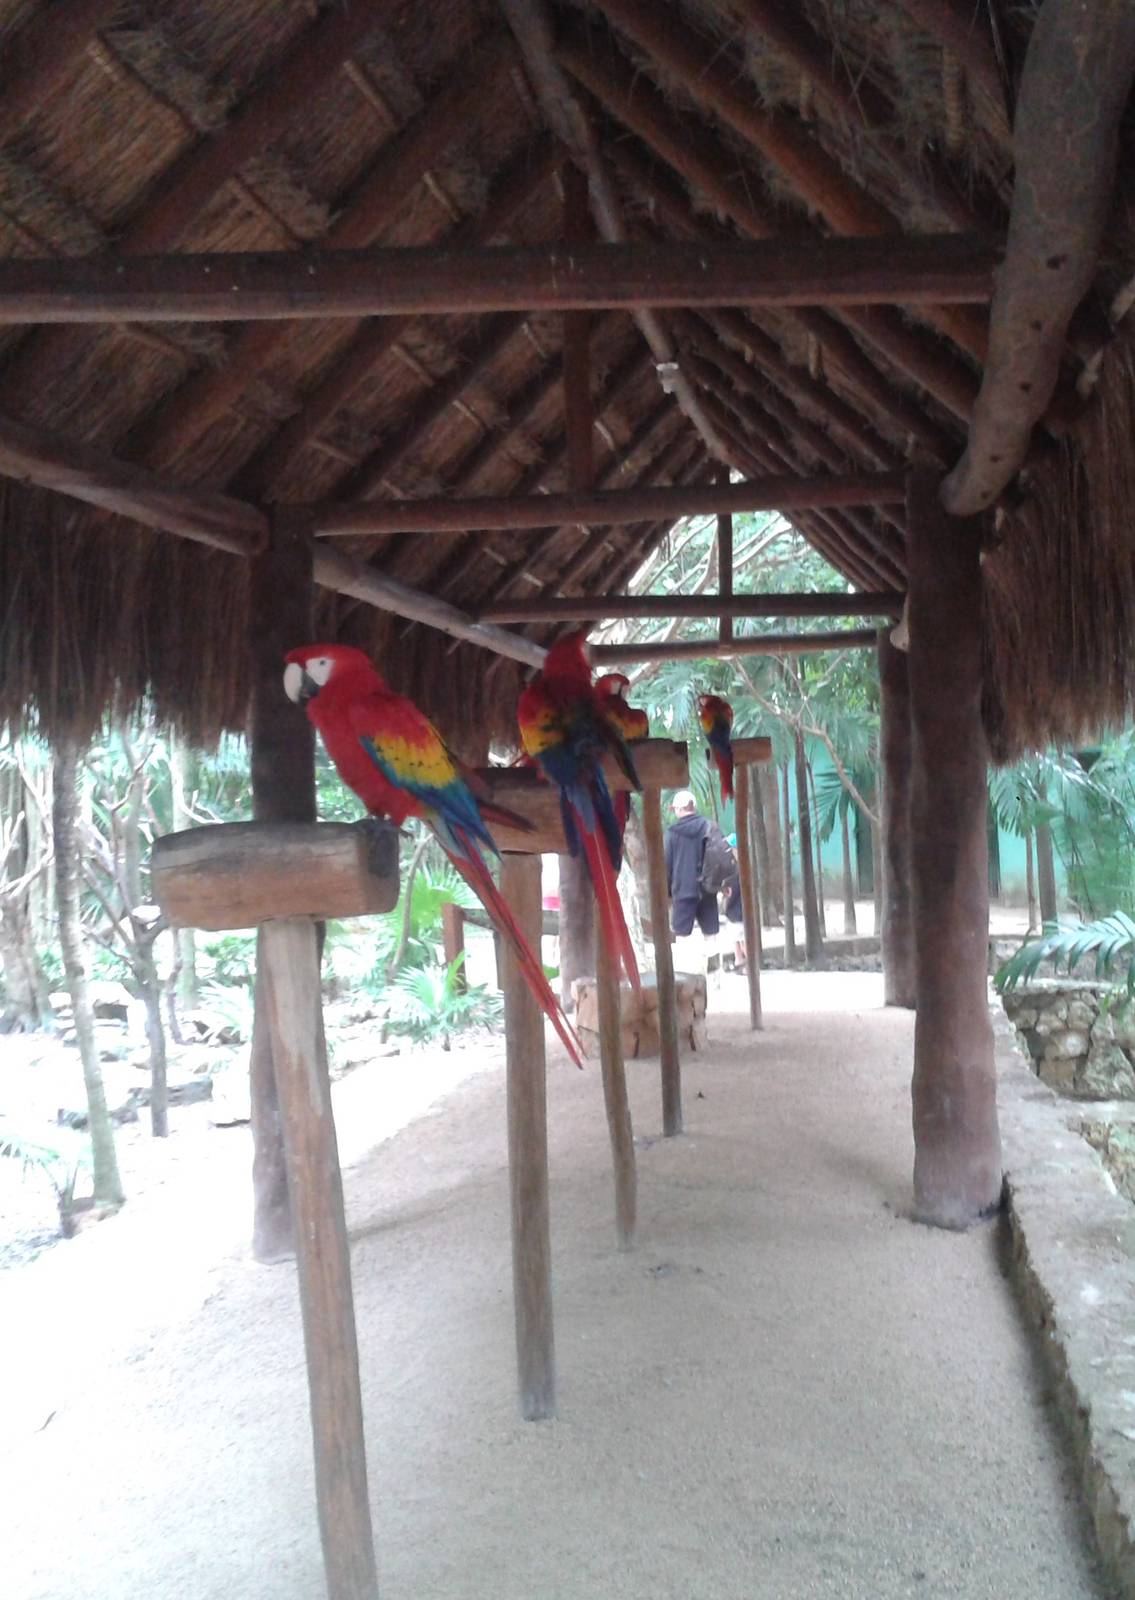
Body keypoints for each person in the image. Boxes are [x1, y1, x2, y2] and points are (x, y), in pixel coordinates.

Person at [664, 789, 721, 945]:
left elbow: (667, 864)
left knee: (682, 935)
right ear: (693, 807)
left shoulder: (672, 833)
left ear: (680, 809)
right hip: (707, 890)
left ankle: (684, 968)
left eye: (675, 808)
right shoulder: (710, 827)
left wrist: (667, 892)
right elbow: (720, 857)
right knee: (711, 935)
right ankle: (713, 965)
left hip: (683, 891)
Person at [721, 833, 746, 975]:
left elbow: (731, 893)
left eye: (731, 849)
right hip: (737, 911)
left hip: (736, 912)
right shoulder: (738, 868)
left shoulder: (736, 871)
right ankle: (740, 962)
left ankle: (743, 962)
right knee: (738, 938)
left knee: (740, 939)